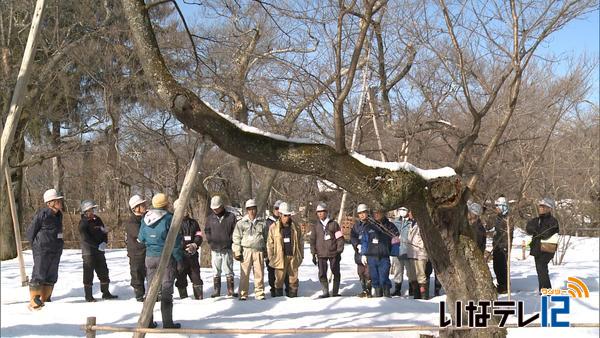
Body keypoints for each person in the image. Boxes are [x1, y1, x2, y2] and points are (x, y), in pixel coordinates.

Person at [138, 193, 184, 329]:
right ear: (166, 204)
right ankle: (168, 323)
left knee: (150, 291)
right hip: (165, 258)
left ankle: (147, 321)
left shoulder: (145, 217)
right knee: (166, 290)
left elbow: (141, 238)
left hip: (149, 257)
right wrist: (179, 258)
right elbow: (175, 242)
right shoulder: (169, 218)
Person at [26, 189, 65, 310]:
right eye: (57, 200)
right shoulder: (42, 214)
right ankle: (34, 299)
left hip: (55, 249)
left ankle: (46, 296)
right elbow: (30, 232)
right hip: (42, 249)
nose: (60, 202)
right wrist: (37, 245)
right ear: (50, 202)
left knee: (52, 273)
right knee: (39, 272)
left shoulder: (59, 215)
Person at [79, 200, 118, 302]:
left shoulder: (98, 220)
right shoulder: (83, 223)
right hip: (89, 252)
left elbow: (104, 231)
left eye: (93, 209)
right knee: (88, 274)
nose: (93, 211)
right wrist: (97, 245)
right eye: (91, 209)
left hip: (100, 251)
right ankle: (88, 296)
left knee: (104, 271)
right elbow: (85, 238)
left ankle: (106, 293)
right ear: (86, 211)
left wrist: (105, 242)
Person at [232, 199, 268, 300]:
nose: (252, 211)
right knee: (244, 273)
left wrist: (266, 251)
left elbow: (267, 237)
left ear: (256, 209)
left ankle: (260, 293)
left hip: (258, 250)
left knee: (259, 273)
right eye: (249, 209)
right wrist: (237, 251)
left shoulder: (262, 223)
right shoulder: (241, 223)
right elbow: (236, 238)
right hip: (246, 251)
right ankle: (243, 294)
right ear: (247, 210)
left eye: (253, 209)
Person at [360, 207, 399, 298]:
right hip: (371, 256)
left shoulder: (390, 226)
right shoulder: (368, 227)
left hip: (384, 256)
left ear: (383, 213)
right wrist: (363, 253)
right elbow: (364, 241)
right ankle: (378, 295)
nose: (376, 215)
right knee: (374, 277)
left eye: (378, 213)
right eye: (374, 213)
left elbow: (396, 240)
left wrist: (394, 252)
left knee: (384, 276)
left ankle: (386, 294)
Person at [267, 202, 304, 297]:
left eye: (288, 215)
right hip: (279, 257)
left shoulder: (296, 227)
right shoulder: (273, 227)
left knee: (293, 279)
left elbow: (300, 242)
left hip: (293, 256)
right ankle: (278, 298)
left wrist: (301, 256)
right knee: (279, 280)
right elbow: (270, 244)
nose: (287, 217)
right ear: (280, 214)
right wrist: (272, 257)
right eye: (285, 215)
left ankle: (293, 296)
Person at [204, 195, 238, 298]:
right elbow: (207, 231)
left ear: (222, 206)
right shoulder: (209, 218)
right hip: (215, 248)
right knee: (216, 270)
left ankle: (230, 290)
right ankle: (216, 291)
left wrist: (230, 241)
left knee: (228, 269)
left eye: (217, 208)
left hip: (227, 247)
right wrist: (210, 241)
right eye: (213, 208)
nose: (215, 210)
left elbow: (235, 231)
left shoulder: (231, 216)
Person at [310, 202, 344, 298]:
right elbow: (312, 240)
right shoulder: (316, 226)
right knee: (322, 273)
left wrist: (339, 250)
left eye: (322, 212)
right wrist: (313, 253)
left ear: (326, 212)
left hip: (333, 253)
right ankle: (325, 291)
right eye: (318, 212)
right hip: (321, 254)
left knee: (335, 271)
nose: (320, 214)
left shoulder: (334, 224)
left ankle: (335, 291)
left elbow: (340, 238)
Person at [526, 198, 560, 292]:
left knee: (541, 267)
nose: (541, 208)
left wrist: (536, 230)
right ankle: (543, 289)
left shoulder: (553, 221)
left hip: (547, 249)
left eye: (543, 206)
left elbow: (546, 234)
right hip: (537, 249)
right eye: (540, 206)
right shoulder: (537, 220)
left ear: (549, 208)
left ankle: (546, 290)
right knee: (540, 269)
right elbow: (528, 229)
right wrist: (534, 229)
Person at [174, 200, 204, 300]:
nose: (185, 211)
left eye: (186, 208)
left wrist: (195, 244)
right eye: (182, 209)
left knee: (196, 277)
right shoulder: (173, 223)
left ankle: (199, 298)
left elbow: (199, 235)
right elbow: (172, 239)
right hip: (180, 256)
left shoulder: (194, 222)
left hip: (193, 255)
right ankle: (183, 298)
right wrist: (183, 246)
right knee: (181, 278)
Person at [125, 195, 148, 302]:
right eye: (142, 205)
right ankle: (139, 296)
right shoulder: (131, 221)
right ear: (136, 207)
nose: (145, 206)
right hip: (136, 253)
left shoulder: (146, 217)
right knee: (137, 274)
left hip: (147, 252)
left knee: (150, 273)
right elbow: (140, 235)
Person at [265, 200, 289, 297]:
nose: (277, 211)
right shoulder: (268, 222)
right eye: (276, 208)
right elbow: (265, 236)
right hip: (272, 251)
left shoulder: (286, 221)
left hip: (285, 251)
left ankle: (287, 290)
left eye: (279, 209)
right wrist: (267, 253)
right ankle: (273, 290)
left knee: (286, 272)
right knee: (271, 272)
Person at [491, 196, 512, 294]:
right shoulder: (499, 217)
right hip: (497, 245)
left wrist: (504, 246)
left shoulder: (507, 218)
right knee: (497, 266)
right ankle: (501, 284)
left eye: (498, 206)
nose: (496, 209)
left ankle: (504, 286)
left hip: (503, 246)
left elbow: (508, 234)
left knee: (502, 267)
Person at [406, 210, 429, 299]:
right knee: (412, 276)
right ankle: (416, 294)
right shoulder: (411, 224)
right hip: (411, 253)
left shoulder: (421, 224)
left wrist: (421, 246)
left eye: (412, 212)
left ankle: (423, 295)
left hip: (420, 253)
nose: (410, 214)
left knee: (421, 276)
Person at [350, 204, 372, 298]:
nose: (362, 215)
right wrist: (356, 244)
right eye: (360, 213)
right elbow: (353, 236)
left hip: (369, 252)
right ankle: (363, 290)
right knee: (361, 272)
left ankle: (368, 291)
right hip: (359, 253)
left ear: (367, 213)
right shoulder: (356, 226)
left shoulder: (372, 224)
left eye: (364, 212)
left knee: (368, 273)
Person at [391, 207, 410, 296]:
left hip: (409, 250)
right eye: (400, 210)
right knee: (397, 270)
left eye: (404, 210)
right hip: (397, 250)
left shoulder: (411, 222)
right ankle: (397, 288)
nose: (402, 211)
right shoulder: (396, 222)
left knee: (410, 271)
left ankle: (412, 288)